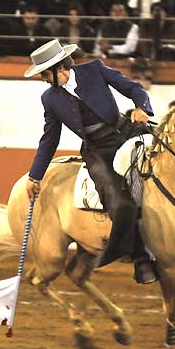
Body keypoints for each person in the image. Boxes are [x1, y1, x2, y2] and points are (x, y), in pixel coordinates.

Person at [24, 39, 157, 284]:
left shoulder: (95, 69)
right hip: (97, 151)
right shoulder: (50, 99)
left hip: (126, 132)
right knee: (121, 203)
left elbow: (134, 88)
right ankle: (141, 259)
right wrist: (35, 176)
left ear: (57, 68)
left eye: (43, 74)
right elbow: (49, 139)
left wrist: (142, 108)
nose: (42, 79)